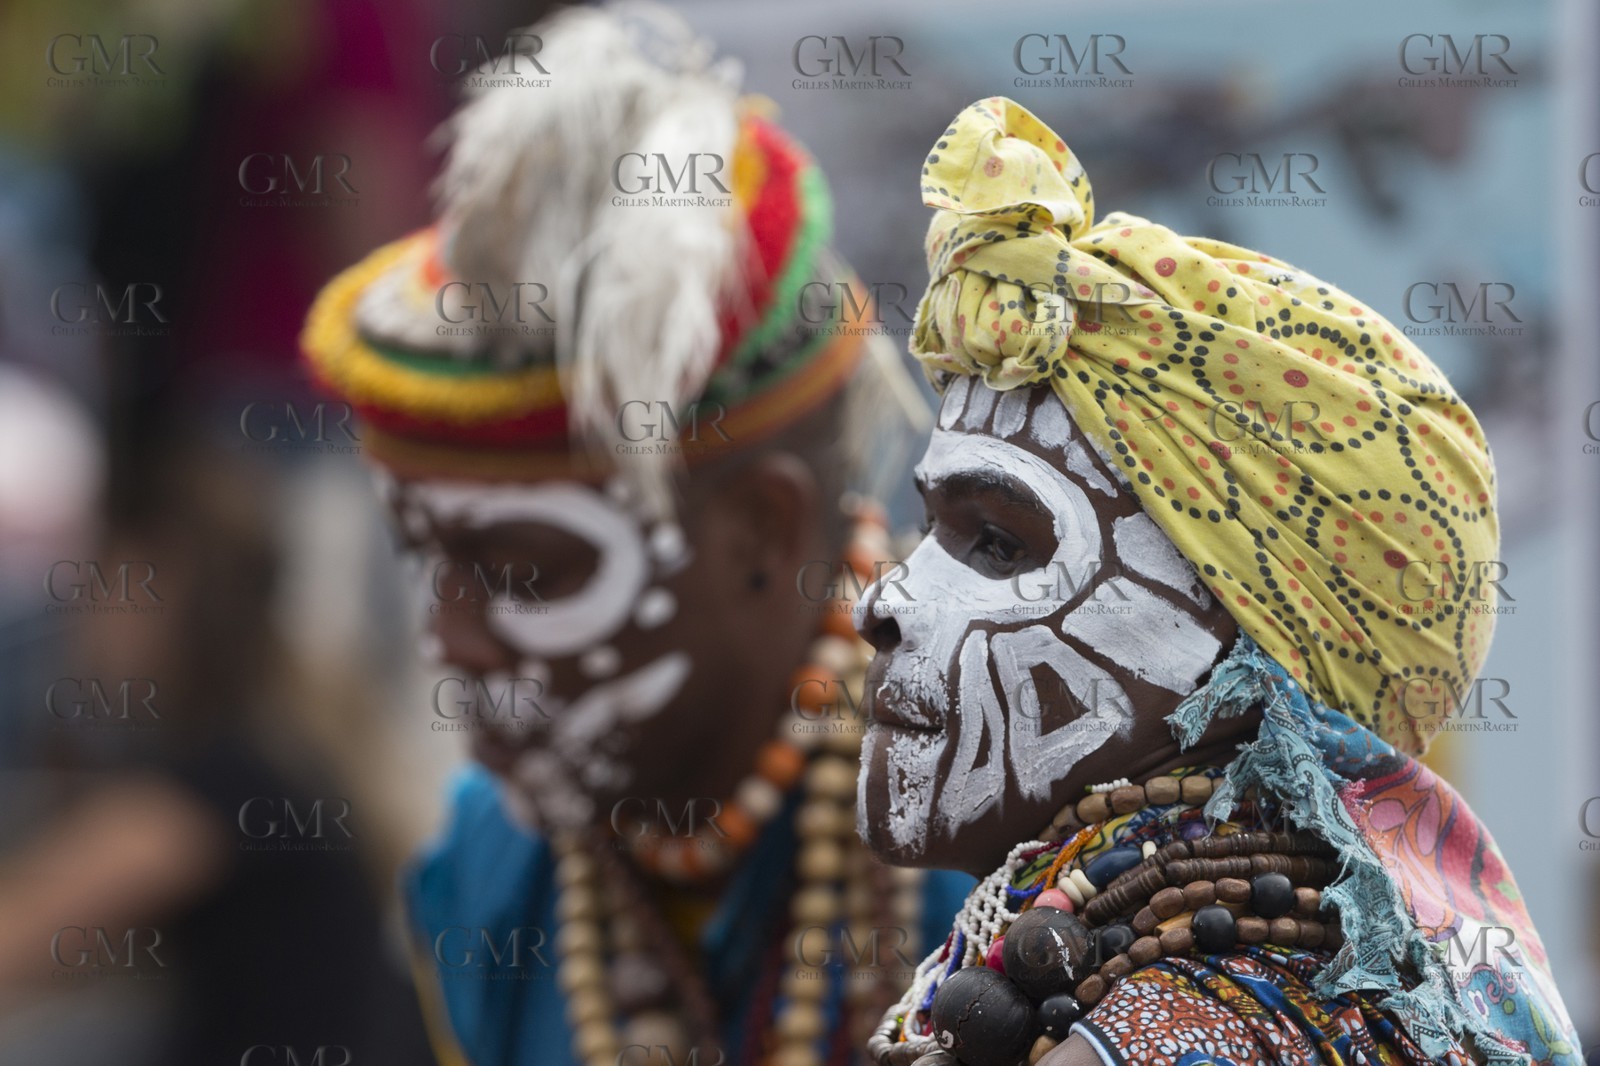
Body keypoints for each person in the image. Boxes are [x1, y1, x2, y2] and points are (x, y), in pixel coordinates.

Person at [300, 7, 969, 1065]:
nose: (450, 642)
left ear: (762, 527)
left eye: (521, 568)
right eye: (428, 558)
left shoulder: (1008, 853)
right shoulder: (484, 867)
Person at [853, 97, 1580, 1066]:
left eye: (997, 542)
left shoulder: (1187, 1032)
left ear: (1244, 659)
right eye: (928, 531)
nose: (883, 602)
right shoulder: (1265, 993)